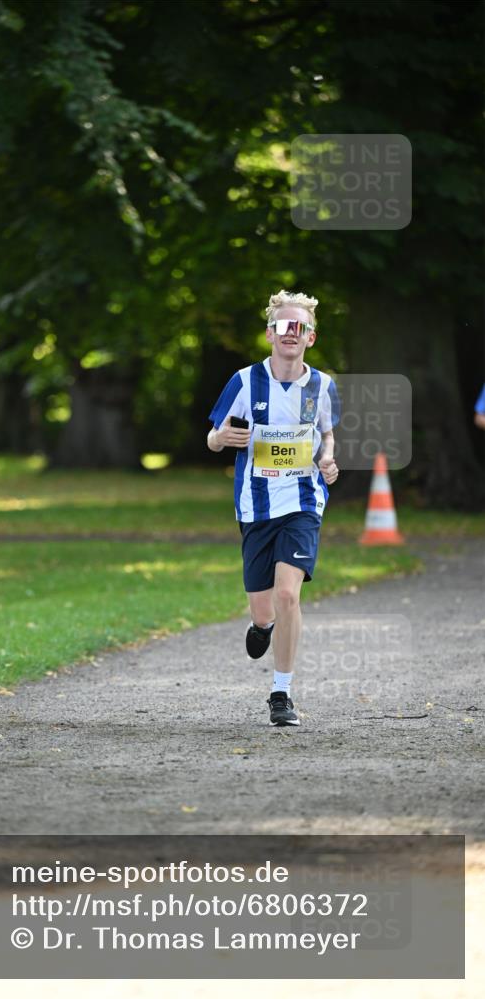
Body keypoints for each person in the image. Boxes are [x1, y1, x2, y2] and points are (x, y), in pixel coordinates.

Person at [207, 289, 340, 727]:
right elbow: (213, 436)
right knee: (264, 609)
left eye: (299, 327)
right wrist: (224, 439)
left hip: (303, 501)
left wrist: (327, 459)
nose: (290, 333)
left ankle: (280, 693)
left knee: (288, 595)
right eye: (283, 325)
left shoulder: (323, 385)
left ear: (310, 337)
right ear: (269, 333)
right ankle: (262, 628)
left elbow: (328, 433)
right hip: (256, 505)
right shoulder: (245, 381)